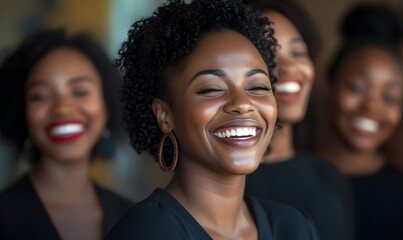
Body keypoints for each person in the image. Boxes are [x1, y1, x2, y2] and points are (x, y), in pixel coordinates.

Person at [106, 0, 318, 239]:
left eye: (258, 86)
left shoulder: (296, 228)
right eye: (211, 89)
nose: (242, 104)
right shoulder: (145, 233)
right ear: (165, 116)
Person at [0, 29, 133, 240]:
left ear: (107, 106)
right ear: (23, 112)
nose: (62, 108)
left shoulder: (134, 217)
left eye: (79, 92)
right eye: (40, 96)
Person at [242, 1, 354, 240]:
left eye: (297, 52)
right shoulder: (227, 185)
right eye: (267, 52)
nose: (289, 66)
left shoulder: (328, 177)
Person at [317, 4, 403, 240]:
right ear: (328, 86)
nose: (372, 107)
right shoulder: (287, 177)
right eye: (357, 87)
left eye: (390, 97)